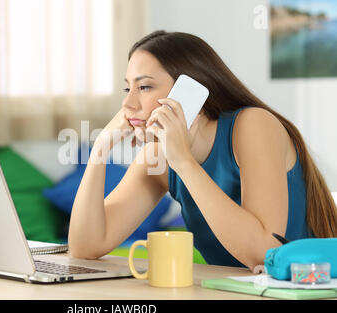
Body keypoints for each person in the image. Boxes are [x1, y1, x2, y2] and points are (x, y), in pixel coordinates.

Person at [67, 30, 337, 270]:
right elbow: (86, 247)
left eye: (144, 87)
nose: (128, 103)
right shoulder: (158, 158)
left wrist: (183, 162)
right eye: (129, 88)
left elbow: (264, 254)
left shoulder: (254, 125)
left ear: (191, 91)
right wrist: (100, 148)